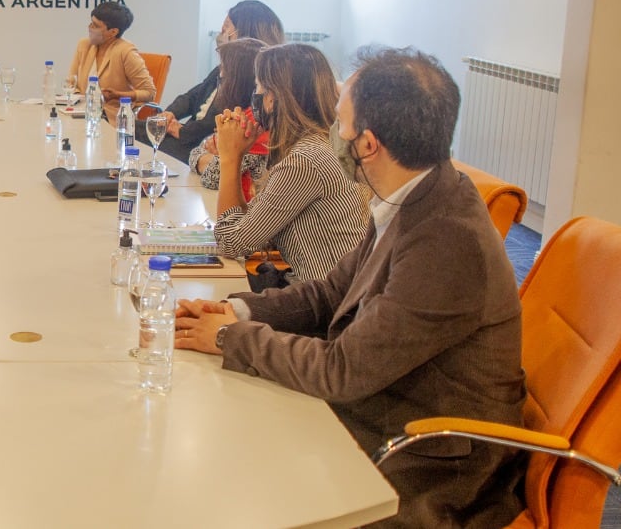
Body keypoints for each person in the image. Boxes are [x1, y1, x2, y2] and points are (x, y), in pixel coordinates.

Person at [174, 46, 527, 528]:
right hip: (383, 406)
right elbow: (327, 294)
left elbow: (343, 370)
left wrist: (227, 338)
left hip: (425, 463)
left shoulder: (447, 242)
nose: (332, 134)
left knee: (225, 468)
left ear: (367, 144)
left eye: (341, 124)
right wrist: (235, 312)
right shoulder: (414, 198)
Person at [209, 43, 365, 283]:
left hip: (322, 304)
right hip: (316, 291)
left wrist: (230, 158)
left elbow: (231, 244)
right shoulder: (316, 145)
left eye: (258, 86)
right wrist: (236, 155)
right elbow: (247, 229)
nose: (255, 96)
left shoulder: (304, 161)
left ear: (272, 98)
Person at [149, 0, 285, 160]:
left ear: (246, 31)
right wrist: (169, 114)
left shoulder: (252, 75)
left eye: (227, 25)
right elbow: (193, 95)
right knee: (140, 129)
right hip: (194, 139)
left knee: (137, 135)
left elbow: (222, 116)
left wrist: (182, 132)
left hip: (202, 142)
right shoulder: (224, 66)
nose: (222, 31)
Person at [186, 37, 269, 199]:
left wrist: (218, 158)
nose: (220, 74)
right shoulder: (240, 114)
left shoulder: (251, 121)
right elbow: (199, 149)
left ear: (237, 78)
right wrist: (216, 156)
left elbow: (213, 176)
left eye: (223, 69)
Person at [67, 0, 155, 125]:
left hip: (110, 117)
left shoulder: (126, 52)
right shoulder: (84, 45)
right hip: (80, 113)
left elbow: (149, 92)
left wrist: (118, 95)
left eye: (96, 26)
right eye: (91, 23)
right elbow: (71, 83)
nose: (90, 28)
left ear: (113, 32)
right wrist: (78, 103)